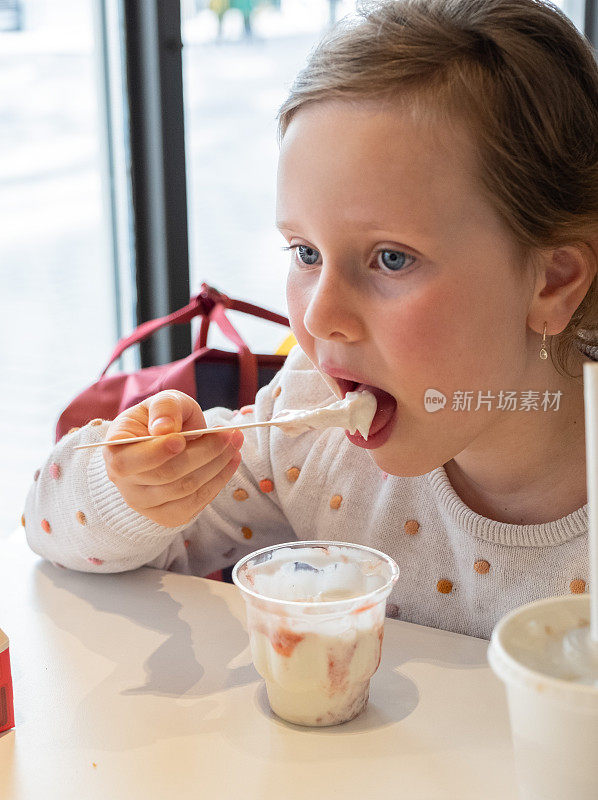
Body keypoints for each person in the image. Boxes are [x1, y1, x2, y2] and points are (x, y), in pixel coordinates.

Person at [23, 0, 598, 639]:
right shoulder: (311, 443)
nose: (320, 317)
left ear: (552, 281)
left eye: (390, 259)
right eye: (305, 253)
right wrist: (131, 489)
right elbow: (51, 530)